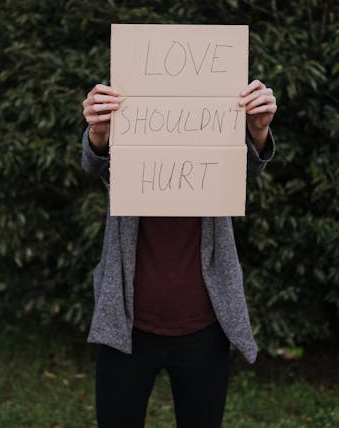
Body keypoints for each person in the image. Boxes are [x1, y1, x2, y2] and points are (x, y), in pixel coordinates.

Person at [81, 79, 277, 427]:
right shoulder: (129, 137)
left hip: (205, 327)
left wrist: (258, 130)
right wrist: (98, 131)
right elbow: (95, 162)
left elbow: (249, 165)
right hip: (126, 325)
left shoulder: (216, 153)